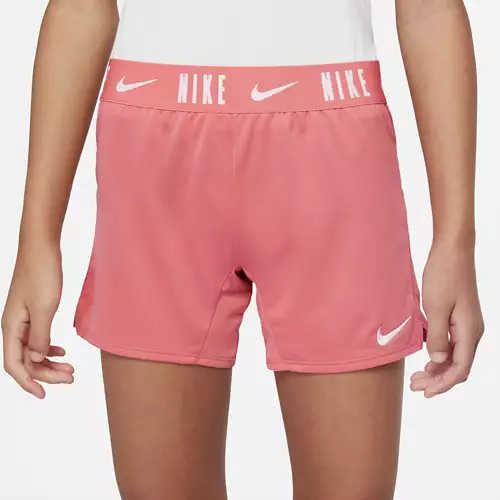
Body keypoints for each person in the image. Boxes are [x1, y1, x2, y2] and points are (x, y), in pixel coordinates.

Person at [1, 0, 485, 498]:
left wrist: (456, 239)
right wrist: (36, 240)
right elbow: (80, 9)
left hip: (332, 158)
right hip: (155, 162)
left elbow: (429, 9)